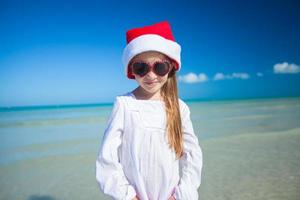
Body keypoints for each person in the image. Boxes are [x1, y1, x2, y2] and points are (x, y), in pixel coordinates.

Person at [96, 21, 203, 200]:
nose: (151, 75)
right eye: (141, 67)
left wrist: (180, 195)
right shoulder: (124, 104)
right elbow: (107, 158)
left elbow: (192, 156)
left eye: (159, 67)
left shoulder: (179, 108)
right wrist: (128, 196)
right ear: (131, 69)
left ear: (170, 68)